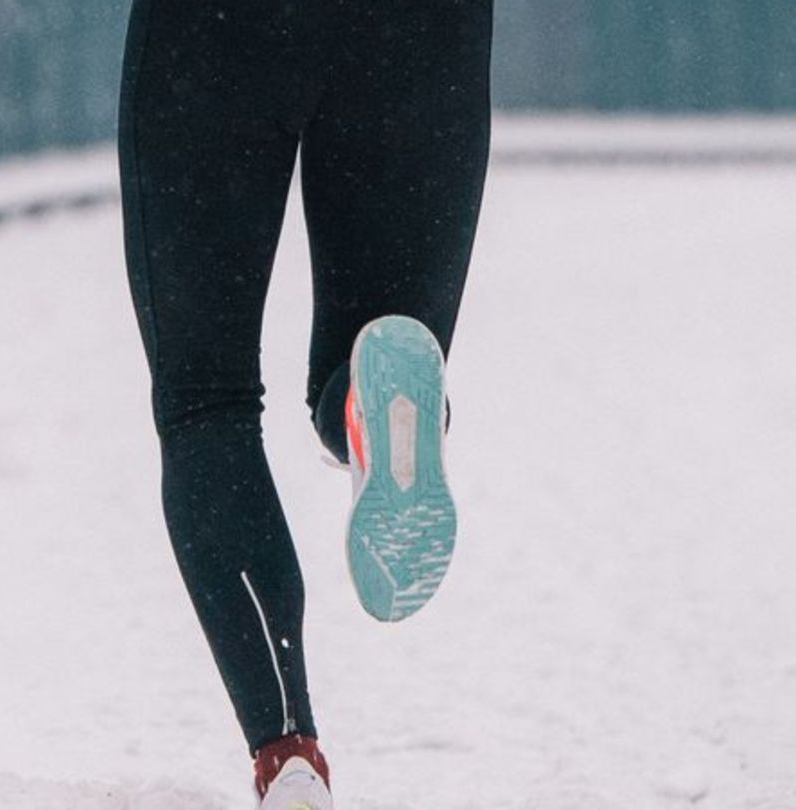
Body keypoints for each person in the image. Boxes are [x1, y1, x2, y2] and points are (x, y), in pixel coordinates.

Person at [117, 0, 492, 806]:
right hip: (423, 31)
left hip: (218, 31)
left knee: (204, 398)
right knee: (379, 339)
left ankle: (287, 751)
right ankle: (370, 406)